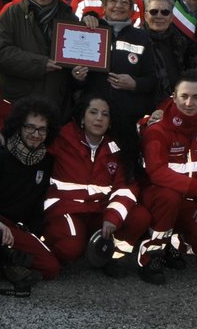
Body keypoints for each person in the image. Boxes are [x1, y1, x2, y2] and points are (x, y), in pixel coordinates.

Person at [137, 73, 197, 283]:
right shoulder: (158, 129)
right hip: (157, 197)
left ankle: (172, 243)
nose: (189, 103)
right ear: (174, 97)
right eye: (184, 96)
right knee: (170, 197)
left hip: (190, 200)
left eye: (196, 97)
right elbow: (157, 172)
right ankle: (149, 256)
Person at [44, 94, 152, 274]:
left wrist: (112, 216)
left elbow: (125, 188)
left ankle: (110, 255)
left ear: (110, 122)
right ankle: (63, 246)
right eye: (93, 112)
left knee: (139, 216)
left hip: (99, 210)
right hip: (66, 209)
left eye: (105, 114)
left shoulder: (116, 148)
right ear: (82, 118)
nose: (99, 118)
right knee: (70, 250)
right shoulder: (62, 138)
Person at [0, 100, 62, 286]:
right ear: (18, 126)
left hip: (13, 228)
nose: (35, 134)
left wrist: (32, 234)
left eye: (41, 129)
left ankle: (0, 259)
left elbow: (39, 205)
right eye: (30, 127)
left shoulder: (47, 161)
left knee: (51, 268)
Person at [0, 0, 85, 112]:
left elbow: (76, 61)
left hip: (57, 106)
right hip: (19, 104)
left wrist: (77, 75)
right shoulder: (11, 14)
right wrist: (40, 64)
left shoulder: (69, 18)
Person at [79, 0, 159, 147]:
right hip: (94, 117)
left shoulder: (142, 37)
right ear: (104, 5)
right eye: (113, 1)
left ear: (131, 8)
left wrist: (134, 84)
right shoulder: (89, 31)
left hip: (127, 118)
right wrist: (77, 77)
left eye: (124, 2)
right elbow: (72, 77)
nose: (118, 6)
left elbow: (152, 80)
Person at [140, 0, 190, 101]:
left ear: (171, 17)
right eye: (154, 12)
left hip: (176, 102)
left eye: (165, 12)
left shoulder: (181, 42)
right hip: (145, 102)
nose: (159, 16)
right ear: (145, 16)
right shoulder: (136, 40)